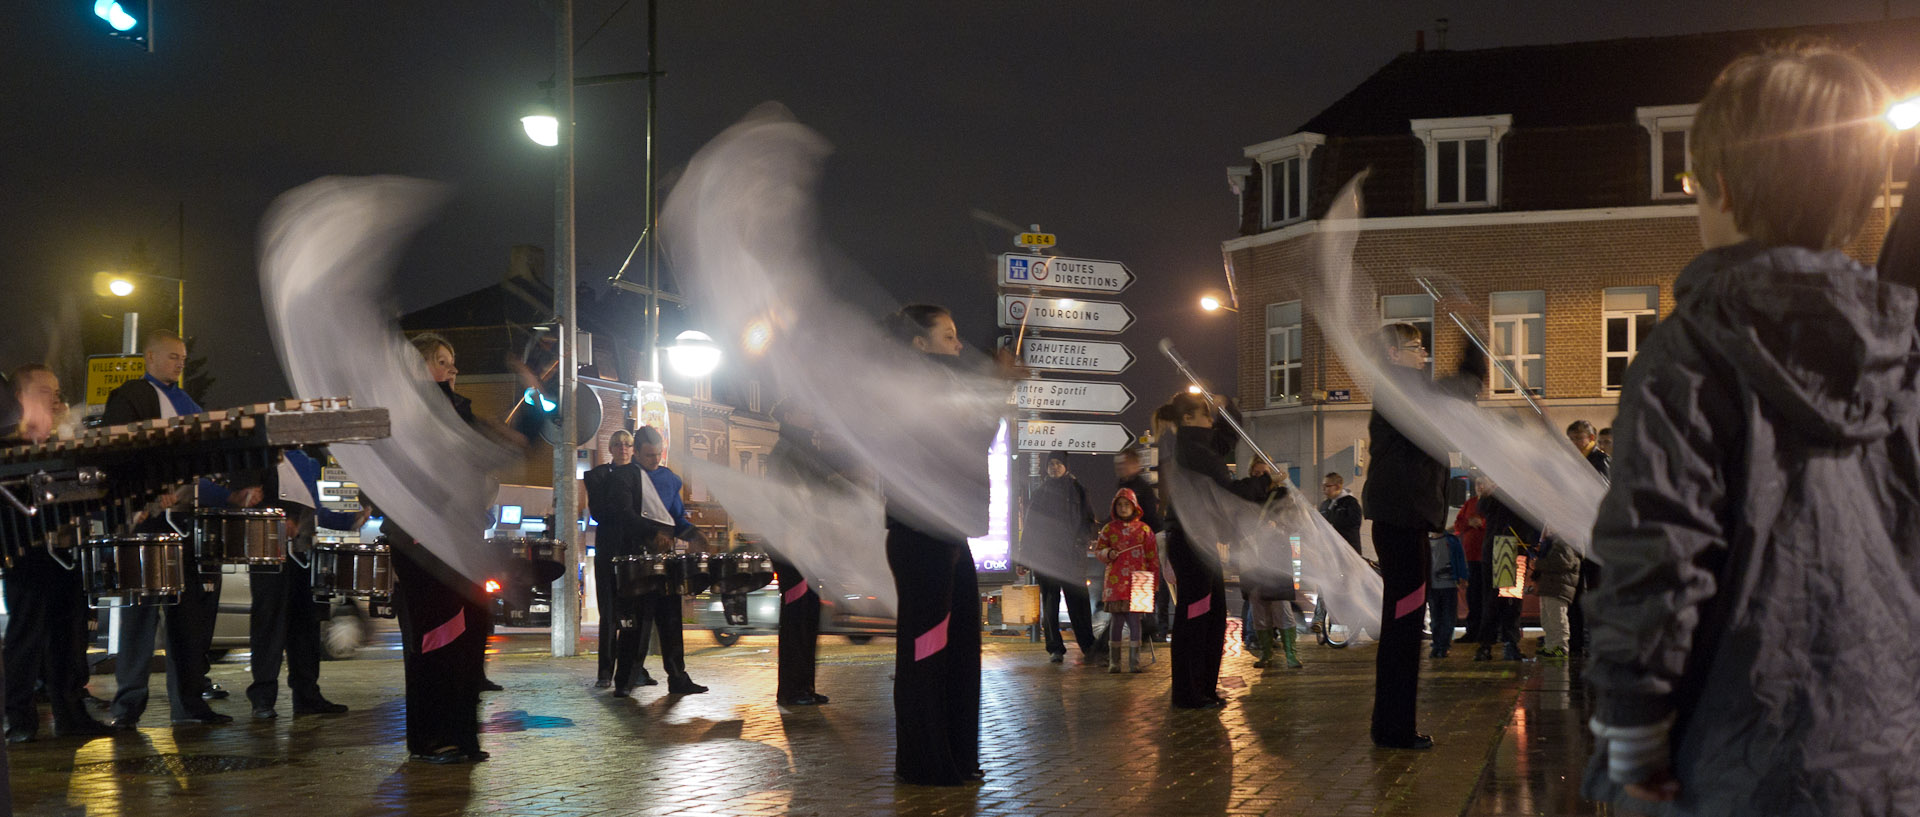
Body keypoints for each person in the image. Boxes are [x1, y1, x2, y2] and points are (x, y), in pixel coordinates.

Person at [1586, 46, 1920, 813]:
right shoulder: (1904, 352)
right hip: (1889, 757)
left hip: (1738, 756)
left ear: (1722, 190)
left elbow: (1657, 549)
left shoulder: (1692, 351)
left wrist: (1633, 735)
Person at [106, 330, 263, 729]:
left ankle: (189, 703)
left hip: (186, 524)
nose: (180, 363)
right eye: (173, 357)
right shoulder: (131, 397)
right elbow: (118, 454)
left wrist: (228, 494)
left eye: (183, 358)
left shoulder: (188, 402)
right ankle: (128, 707)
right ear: (150, 357)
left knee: (187, 619)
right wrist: (148, 496)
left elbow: (205, 461)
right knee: (140, 617)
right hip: (149, 520)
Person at [881, 304, 987, 786]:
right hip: (920, 535)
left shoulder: (941, 388)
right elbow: (962, 436)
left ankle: (957, 754)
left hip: (948, 533)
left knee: (961, 646)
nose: (958, 345)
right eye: (948, 337)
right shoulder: (911, 389)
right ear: (918, 345)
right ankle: (925, 763)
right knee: (928, 649)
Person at [386, 332, 489, 763]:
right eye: (443, 361)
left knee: (468, 638)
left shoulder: (457, 409)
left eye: (453, 361)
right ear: (420, 366)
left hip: (458, 538)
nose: (452, 369)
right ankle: (430, 738)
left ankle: (463, 735)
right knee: (434, 640)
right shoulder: (405, 411)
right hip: (420, 541)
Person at [2, 366, 111, 742]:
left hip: (65, 548)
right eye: (44, 390)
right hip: (24, 551)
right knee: (25, 634)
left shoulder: (64, 445)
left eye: (57, 390)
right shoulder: (7, 446)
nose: (55, 397)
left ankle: (71, 713)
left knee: (70, 633)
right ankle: (19, 719)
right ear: (20, 398)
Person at [1361, 324, 1447, 749]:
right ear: (1393, 355)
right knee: (1403, 628)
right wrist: (1471, 358)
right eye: (1415, 348)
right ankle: (1394, 729)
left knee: (1405, 627)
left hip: (1405, 522)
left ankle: (1391, 725)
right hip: (1402, 523)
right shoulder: (1398, 392)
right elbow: (1450, 396)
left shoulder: (1399, 392)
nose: (1423, 354)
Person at [1160, 393, 1272, 709]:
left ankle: (1204, 687)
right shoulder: (1192, 450)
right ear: (1188, 419)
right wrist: (1262, 483)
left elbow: (1224, 439)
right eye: (1206, 415)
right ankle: (1188, 692)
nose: (1211, 420)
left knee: (1212, 618)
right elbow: (1231, 488)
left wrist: (1228, 409)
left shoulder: (1198, 446)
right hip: (1191, 543)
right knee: (1194, 618)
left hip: (1202, 543)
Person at [247, 449, 358, 719]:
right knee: (270, 624)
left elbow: (319, 506)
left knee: (305, 626)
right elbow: (249, 498)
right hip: (269, 551)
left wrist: (349, 518)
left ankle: (306, 695)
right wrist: (276, 516)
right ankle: (264, 698)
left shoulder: (307, 461)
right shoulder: (263, 458)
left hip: (303, 552)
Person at [582, 430, 669, 696]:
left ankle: (633, 671)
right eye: (618, 444)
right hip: (609, 548)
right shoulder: (596, 475)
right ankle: (605, 672)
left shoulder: (641, 475)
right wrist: (625, 509)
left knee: (635, 612)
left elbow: (648, 509)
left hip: (634, 548)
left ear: (634, 448)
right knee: (609, 613)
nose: (622, 448)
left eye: (627, 444)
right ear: (610, 448)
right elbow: (600, 512)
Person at [628, 425, 709, 696]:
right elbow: (623, 517)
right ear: (636, 452)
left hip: (665, 560)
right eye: (649, 455)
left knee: (671, 620)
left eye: (658, 455)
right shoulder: (626, 477)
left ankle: (678, 677)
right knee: (639, 621)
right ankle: (630, 675)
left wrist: (694, 534)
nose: (655, 460)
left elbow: (676, 517)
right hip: (637, 559)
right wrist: (652, 533)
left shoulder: (670, 480)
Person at [765, 401, 832, 705]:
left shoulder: (800, 450)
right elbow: (790, 501)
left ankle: (803, 685)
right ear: (790, 416)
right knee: (797, 618)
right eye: (806, 411)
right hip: (793, 548)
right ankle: (792, 689)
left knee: (808, 614)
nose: (811, 415)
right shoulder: (786, 452)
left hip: (807, 546)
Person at [1024, 452, 1099, 664]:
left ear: (1066, 466)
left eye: (1058, 463)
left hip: (1072, 558)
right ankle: (1055, 648)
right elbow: (1030, 527)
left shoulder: (1078, 490)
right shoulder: (1039, 493)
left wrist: (1080, 544)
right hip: (1045, 558)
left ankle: (1088, 645)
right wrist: (1025, 558)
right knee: (1050, 604)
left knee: (1079, 603)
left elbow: (1089, 522)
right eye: (1051, 464)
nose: (1054, 467)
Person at [1093, 488, 1156, 674]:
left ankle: (1134, 662)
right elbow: (1099, 550)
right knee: (1117, 622)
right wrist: (1108, 554)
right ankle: (1115, 662)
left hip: (1139, 584)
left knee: (1135, 622)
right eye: (1119, 504)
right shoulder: (1108, 529)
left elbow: (1152, 557)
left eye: (1126, 504)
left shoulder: (1145, 530)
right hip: (1115, 582)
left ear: (1134, 506)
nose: (1123, 508)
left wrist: (1153, 582)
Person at [1472, 480, 1533, 663]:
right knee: (1508, 600)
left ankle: (1489, 645)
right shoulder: (1518, 491)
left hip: (1500, 547)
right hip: (1509, 547)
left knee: (1496, 599)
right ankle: (1506, 644)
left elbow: (1483, 508)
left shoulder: (1498, 491)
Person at [1114, 448, 1168, 641]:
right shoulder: (1125, 484)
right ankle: (1148, 627)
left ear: (1134, 464)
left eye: (1123, 464)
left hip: (1147, 543)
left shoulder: (1140, 488)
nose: (1120, 468)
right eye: (1118, 464)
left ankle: (1155, 628)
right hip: (1136, 544)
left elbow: (1151, 519)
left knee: (1150, 585)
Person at [1563, 420, 1605, 655]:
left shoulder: (1599, 461)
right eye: (1571, 439)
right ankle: (1577, 639)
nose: (1574, 444)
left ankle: (1594, 639)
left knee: (1595, 587)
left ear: (1591, 438)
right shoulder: (1573, 463)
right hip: (1576, 533)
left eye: (1578, 438)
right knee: (1575, 588)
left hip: (1593, 534)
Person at [1451, 481, 1489, 644]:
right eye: (1478, 483)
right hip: (1471, 557)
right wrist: (1468, 523)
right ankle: (1473, 630)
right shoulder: (1470, 503)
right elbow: (1458, 524)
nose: (1480, 486)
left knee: (1487, 595)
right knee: (1473, 595)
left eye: (1484, 483)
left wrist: (1482, 524)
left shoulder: (1494, 503)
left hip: (1487, 556)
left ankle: (1488, 631)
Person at [1426, 532, 1465, 658]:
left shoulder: (1452, 541)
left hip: (1449, 586)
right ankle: (1438, 645)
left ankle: (1443, 646)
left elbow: (1460, 558)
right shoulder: (1426, 542)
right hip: (1433, 587)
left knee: (1447, 618)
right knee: (1436, 618)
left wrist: (1462, 576)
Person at [1317, 473, 1363, 555]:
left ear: (1338, 487)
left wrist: (1333, 525)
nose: (1323, 489)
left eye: (1327, 486)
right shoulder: (1325, 504)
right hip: (1330, 551)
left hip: (1348, 551)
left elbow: (1354, 523)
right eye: (1323, 486)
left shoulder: (1350, 502)